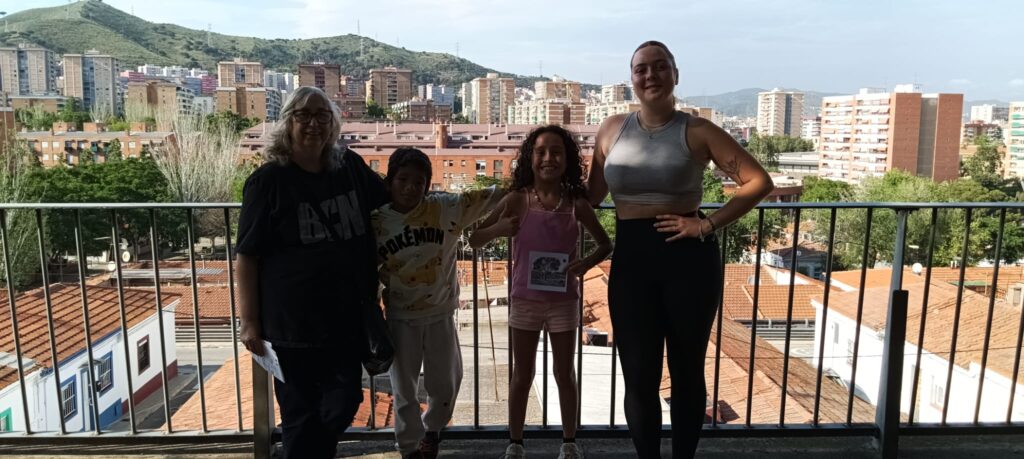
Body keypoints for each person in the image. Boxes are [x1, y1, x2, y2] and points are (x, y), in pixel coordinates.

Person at [587, 41, 774, 458]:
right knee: (638, 376)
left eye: (660, 67)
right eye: (641, 69)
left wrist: (706, 223)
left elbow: (759, 182)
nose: (650, 75)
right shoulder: (610, 129)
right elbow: (590, 197)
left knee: (686, 372)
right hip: (632, 261)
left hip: (687, 261)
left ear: (675, 74)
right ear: (631, 79)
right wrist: (531, 197)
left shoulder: (698, 130)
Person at [236, 86, 388, 459]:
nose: (313, 124)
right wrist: (249, 322)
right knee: (300, 416)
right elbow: (247, 256)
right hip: (292, 327)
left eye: (322, 115)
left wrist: (452, 213)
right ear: (287, 122)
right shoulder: (268, 182)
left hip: (346, 319)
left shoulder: (349, 167)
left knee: (344, 401)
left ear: (333, 123)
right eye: (303, 115)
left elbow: (392, 205)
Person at [471, 125, 613, 459]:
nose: (549, 158)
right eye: (541, 152)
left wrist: (585, 264)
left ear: (567, 160)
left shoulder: (576, 204)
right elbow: (476, 238)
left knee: (565, 373)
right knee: (522, 374)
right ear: (530, 158)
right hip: (525, 301)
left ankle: (569, 442)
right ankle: (515, 443)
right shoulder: (517, 200)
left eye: (556, 152)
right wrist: (498, 229)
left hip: (564, 302)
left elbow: (605, 244)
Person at [372, 147, 504, 459]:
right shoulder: (376, 221)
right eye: (403, 179)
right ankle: (409, 448)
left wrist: (530, 182)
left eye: (419, 182)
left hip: (440, 312)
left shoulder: (445, 208)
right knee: (403, 390)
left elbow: (489, 196)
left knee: (446, 384)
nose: (410, 187)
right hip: (400, 317)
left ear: (428, 185)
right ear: (389, 182)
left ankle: (431, 431)